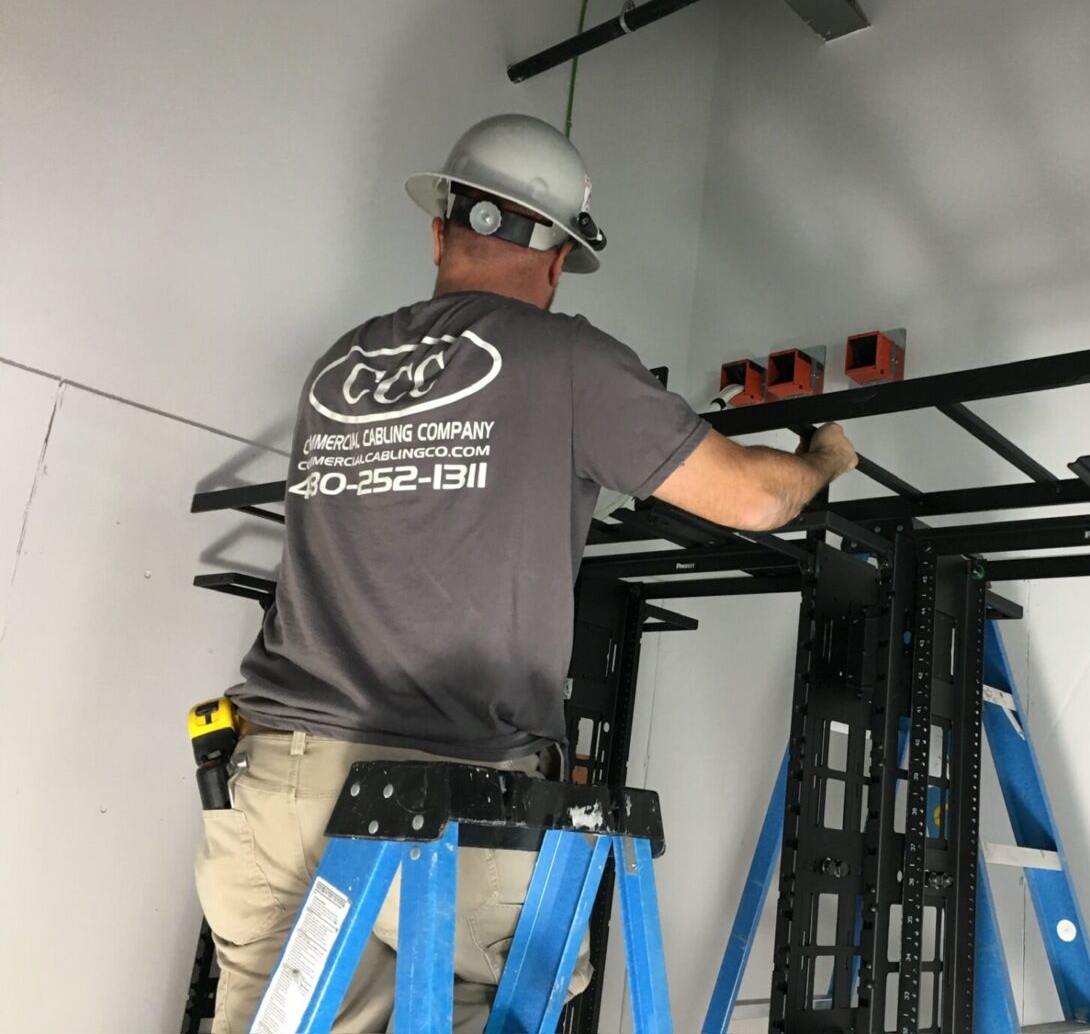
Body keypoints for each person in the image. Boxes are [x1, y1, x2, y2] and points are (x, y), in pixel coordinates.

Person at [194, 113, 859, 1031]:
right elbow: (753, 499)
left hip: (274, 786)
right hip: (444, 798)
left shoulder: (339, 365)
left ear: (439, 231)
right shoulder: (568, 359)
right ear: (557, 260)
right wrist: (824, 460)